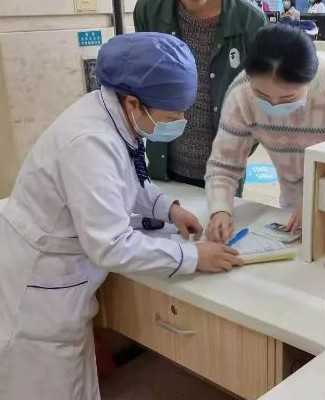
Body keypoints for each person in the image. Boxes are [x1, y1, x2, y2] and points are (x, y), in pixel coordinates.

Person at [0, 33, 243, 400]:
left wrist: (169, 209)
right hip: (41, 289)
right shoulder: (90, 142)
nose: (180, 121)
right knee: (50, 386)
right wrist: (193, 256)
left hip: (61, 275)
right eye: (171, 116)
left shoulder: (116, 114)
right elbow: (111, 245)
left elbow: (127, 176)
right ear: (133, 102)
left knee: (76, 381)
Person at [205, 24, 325, 243]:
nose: (273, 105)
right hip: (291, 207)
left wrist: (316, 198)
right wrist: (220, 210)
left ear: (310, 80)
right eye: (261, 95)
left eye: (287, 98)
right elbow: (224, 164)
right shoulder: (241, 92)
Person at [134, 0, 267, 190]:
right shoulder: (149, 10)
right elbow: (142, 81)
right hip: (162, 169)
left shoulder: (250, 20)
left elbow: (265, 97)